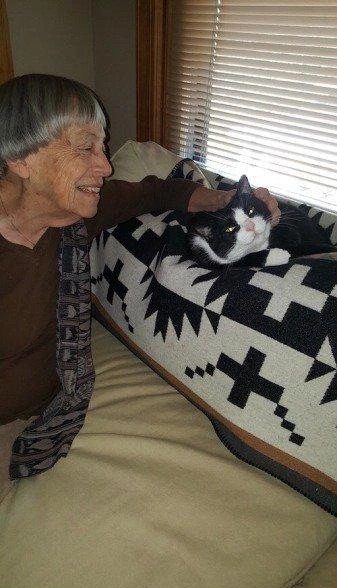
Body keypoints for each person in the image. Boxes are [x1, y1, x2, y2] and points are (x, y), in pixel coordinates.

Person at [0, 74, 280, 479]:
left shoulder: (75, 214)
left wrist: (230, 203)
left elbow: (156, 193)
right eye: (86, 148)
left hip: (53, 406)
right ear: (21, 159)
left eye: (104, 146)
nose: (106, 166)